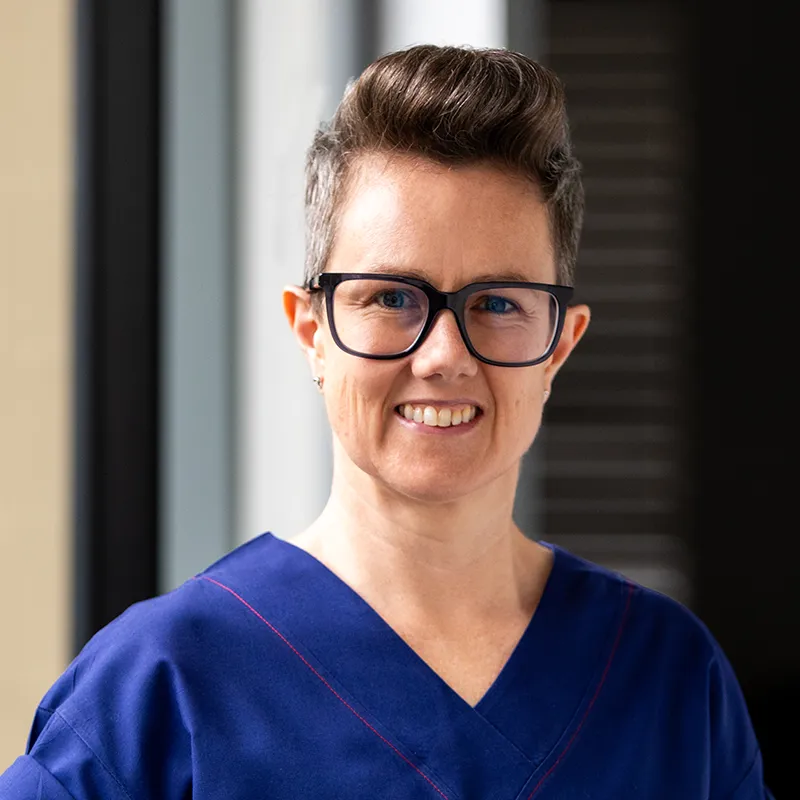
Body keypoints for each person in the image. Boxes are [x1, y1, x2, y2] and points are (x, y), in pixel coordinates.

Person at [0, 45, 772, 799]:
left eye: (497, 303)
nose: (442, 357)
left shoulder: (668, 679)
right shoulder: (160, 688)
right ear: (312, 332)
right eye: (391, 298)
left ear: (559, 347)